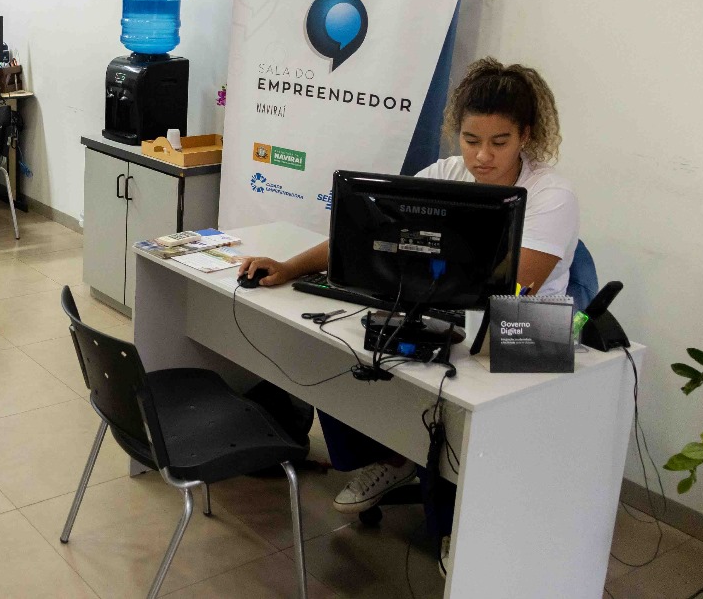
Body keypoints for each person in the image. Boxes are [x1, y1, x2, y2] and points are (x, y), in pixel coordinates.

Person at [237, 57, 579, 566]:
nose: (482, 156)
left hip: (531, 328)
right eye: (470, 139)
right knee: (342, 348)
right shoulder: (445, 173)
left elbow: (513, 284)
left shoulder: (553, 194)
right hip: (452, 311)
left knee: (448, 400)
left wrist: (424, 285)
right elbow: (365, 234)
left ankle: (457, 529)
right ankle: (392, 455)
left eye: (499, 142)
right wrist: (289, 267)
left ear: (525, 135)